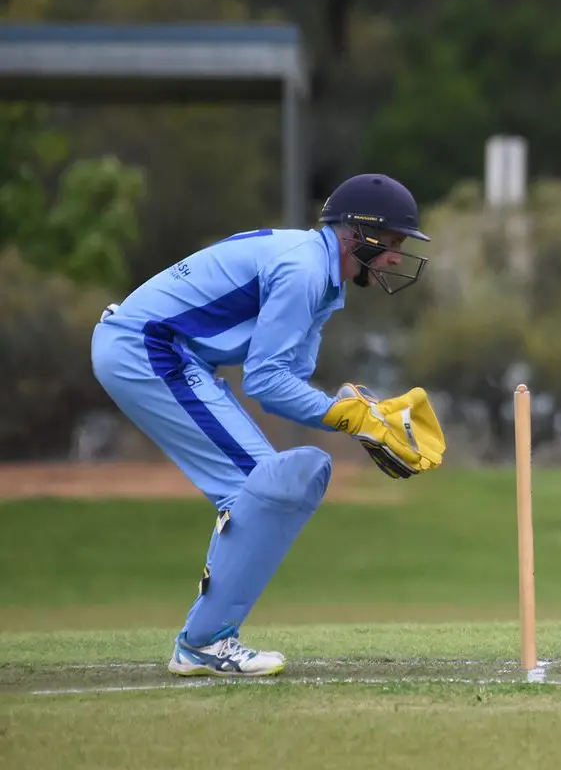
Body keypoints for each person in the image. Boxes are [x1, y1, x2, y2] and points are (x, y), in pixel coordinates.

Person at [91, 173, 447, 678]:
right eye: (389, 243)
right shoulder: (303, 270)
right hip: (146, 348)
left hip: (163, 351)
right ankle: (204, 643)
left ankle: (206, 641)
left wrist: (353, 407)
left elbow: (288, 382)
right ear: (355, 234)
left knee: (267, 486)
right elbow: (263, 381)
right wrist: (348, 418)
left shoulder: (321, 277)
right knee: (263, 486)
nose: (395, 256)